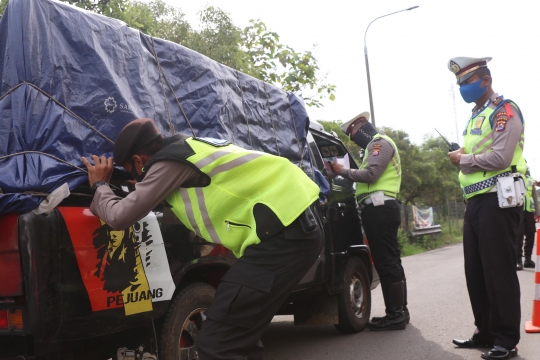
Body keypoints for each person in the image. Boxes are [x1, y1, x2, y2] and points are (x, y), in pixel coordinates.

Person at [81, 118, 324, 360]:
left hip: (284, 237)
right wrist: (145, 188)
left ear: (138, 161)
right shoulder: (189, 148)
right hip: (294, 228)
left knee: (217, 343)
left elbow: (119, 216)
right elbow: (192, 204)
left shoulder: (169, 163)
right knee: (238, 338)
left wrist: (100, 185)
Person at [447, 57, 524, 360]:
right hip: (475, 202)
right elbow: (479, 151)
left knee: (498, 271)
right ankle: (486, 331)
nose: (463, 88)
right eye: (460, 84)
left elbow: (502, 157)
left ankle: (506, 339)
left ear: (486, 80)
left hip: (498, 200)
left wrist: (463, 160)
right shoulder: (475, 116)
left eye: (467, 82)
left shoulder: (505, 110)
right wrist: (464, 154)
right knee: (476, 271)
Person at [330, 111, 408, 331]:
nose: (353, 138)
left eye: (353, 133)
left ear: (361, 127)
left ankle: (396, 315)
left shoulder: (379, 144)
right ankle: (400, 312)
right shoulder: (372, 148)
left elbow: (371, 174)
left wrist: (342, 171)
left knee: (387, 263)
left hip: (380, 208)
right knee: (390, 261)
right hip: (378, 208)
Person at [516, 169, 539, 270]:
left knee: (530, 234)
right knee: (518, 235)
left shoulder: (530, 180)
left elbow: (534, 196)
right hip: (518, 210)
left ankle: (528, 260)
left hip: (529, 211)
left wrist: (538, 212)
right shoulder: (515, 177)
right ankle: (518, 260)